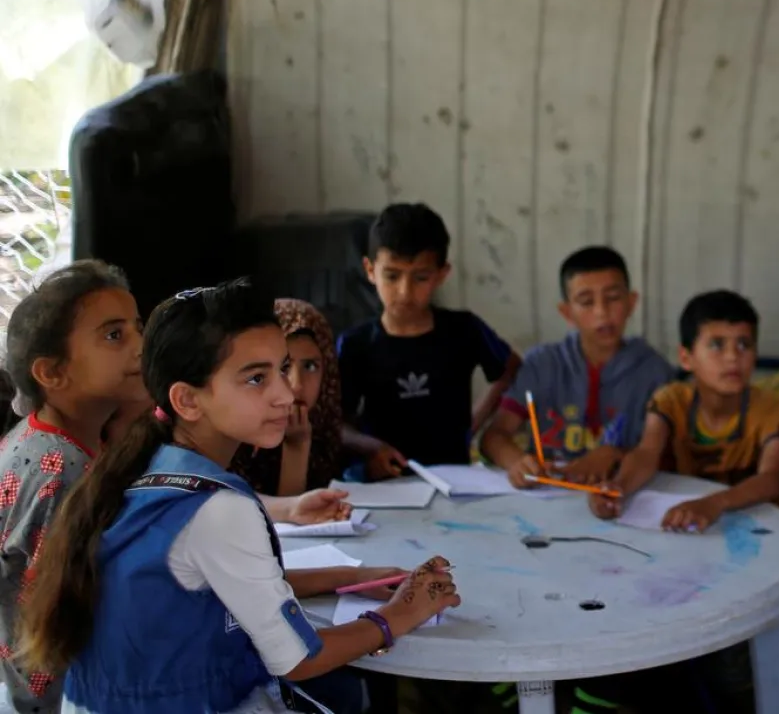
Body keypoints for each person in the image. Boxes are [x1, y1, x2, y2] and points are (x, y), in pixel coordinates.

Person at [19, 280, 461, 714]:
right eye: (255, 379)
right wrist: (400, 614)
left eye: (283, 368)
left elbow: (219, 578)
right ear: (188, 401)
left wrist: (352, 575)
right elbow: (299, 659)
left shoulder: (144, 462)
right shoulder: (219, 508)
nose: (286, 394)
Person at [0, 261, 143, 713]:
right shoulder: (59, 472)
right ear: (52, 373)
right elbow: (73, 614)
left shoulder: (49, 440)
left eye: (138, 328)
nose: (142, 347)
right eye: (114, 335)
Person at [339, 203, 520, 477]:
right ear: (369, 270)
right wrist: (370, 448)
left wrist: (472, 423)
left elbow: (510, 368)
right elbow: (337, 423)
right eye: (392, 276)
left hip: (454, 477)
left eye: (420, 277)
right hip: (384, 483)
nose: (404, 291)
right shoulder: (356, 344)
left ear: (441, 274)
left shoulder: (464, 329)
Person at [590, 290, 779, 532]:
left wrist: (713, 504)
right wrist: (617, 488)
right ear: (686, 358)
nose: (732, 357)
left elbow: (773, 478)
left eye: (743, 344)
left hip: (753, 527)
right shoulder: (671, 400)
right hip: (686, 522)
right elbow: (646, 454)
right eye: (717, 345)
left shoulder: (770, 409)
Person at [482, 246, 674, 488]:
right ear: (567, 312)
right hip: (549, 492)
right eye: (586, 302)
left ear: (631, 302)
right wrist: (518, 463)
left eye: (613, 298)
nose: (602, 313)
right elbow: (494, 436)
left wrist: (616, 456)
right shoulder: (543, 364)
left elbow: (663, 456)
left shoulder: (654, 371)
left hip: (621, 493)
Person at [233, 300, 345, 497]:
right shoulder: (233, 434)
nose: (297, 385)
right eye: (284, 367)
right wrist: (297, 446)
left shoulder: (322, 423)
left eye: (310, 366)